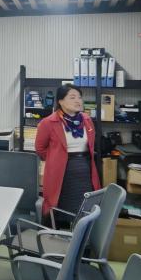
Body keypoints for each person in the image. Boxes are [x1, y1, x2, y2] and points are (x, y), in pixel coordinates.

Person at [35, 83, 100, 220]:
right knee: (61, 208)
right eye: (72, 97)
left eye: (79, 97)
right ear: (60, 101)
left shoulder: (87, 120)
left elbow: (91, 145)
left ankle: (80, 231)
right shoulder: (48, 123)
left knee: (84, 209)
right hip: (60, 173)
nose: (78, 101)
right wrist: (56, 158)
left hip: (85, 171)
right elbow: (40, 149)